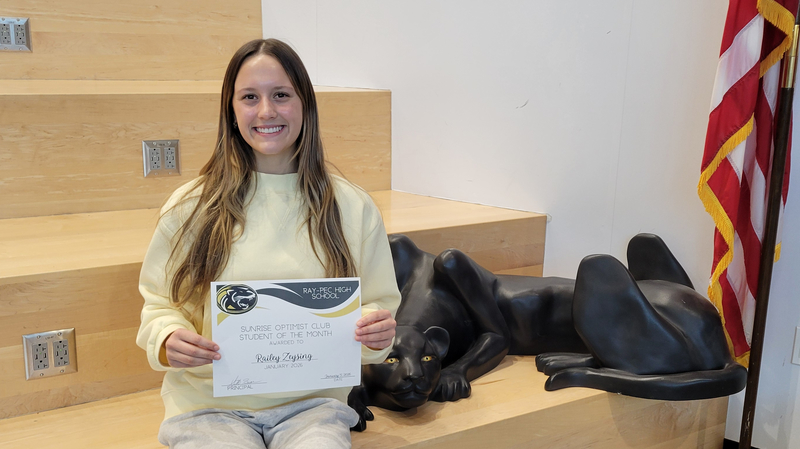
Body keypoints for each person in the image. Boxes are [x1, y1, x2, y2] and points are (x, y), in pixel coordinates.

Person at [136, 38, 400, 449]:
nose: (266, 111)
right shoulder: (191, 206)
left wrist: (375, 331)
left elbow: (377, 304)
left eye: (281, 95)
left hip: (312, 406)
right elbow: (159, 304)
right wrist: (169, 338)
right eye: (249, 97)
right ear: (231, 110)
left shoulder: (352, 206)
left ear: (305, 105)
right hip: (207, 407)